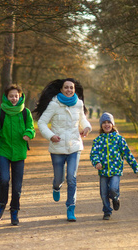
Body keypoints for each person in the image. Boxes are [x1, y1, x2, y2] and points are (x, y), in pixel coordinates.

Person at [33, 78, 92, 222]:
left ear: (74, 90)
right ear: (61, 90)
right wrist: (51, 136)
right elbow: (41, 122)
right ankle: (56, 186)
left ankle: (71, 208)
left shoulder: (79, 103)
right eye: (66, 87)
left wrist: (86, 127)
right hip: (57, 147)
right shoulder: (54, 104)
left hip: (74, 146)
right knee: (59, 178)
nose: (69, 90)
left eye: (71, 88)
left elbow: (82, 119)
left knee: (71, 178)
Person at [0, 84, 36, 225]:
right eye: (11, 96)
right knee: (4, 179)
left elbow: (31, 128)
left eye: (16, 96)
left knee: (17, 187)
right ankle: (1, 204)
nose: (14, 98)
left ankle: (14, 211)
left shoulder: (25, 112)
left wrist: (28, 134)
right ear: (6, 97)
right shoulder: (0, 112)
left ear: (20, 96)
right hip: (3, 151)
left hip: (19, 153)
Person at [89, 112, 138, 220]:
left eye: (109, 122)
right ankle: (107, 211)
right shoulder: (98, 140)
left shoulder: (119, 139)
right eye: (104, 123)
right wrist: (96, 162)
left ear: (112, 125)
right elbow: (94, 154)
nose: (106, 125)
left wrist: (134, 166)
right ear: (101, 125)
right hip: (103, 171)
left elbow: (127, 153)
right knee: (103, 193)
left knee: (113, 188)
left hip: (116, 170)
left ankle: (115, 198)